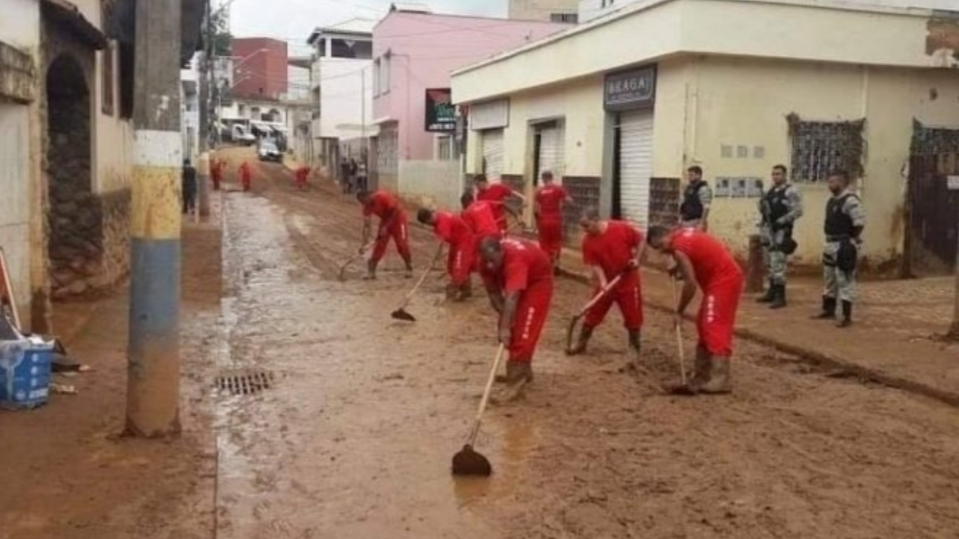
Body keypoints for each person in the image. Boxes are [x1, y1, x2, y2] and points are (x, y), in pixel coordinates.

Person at [647, 225, 743, 395]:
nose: (663, 252)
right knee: (702, 322)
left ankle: (721, 378)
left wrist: (679, 311)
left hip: (724, 279)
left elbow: (690, 284)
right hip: (721, 276)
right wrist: (679, 268)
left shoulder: (679, 249)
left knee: (713, 323)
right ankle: (703, 372)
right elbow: (698, 255)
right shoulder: (681, 234)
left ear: (664, 235)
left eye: (660, 246)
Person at [567, 208, 645, 369]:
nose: (585, 230)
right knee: (593, 311)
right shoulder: (588, 241)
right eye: (583, 227)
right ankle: (581, 344)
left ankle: (634, 350)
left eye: (587, 226)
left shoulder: (620, 228)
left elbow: (640, 239)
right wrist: (603, 282)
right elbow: (594, 264)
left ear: (596, 219)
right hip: (608, 282)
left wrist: (636, 259)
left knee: (633, 316)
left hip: (628, 280)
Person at [478, 236, 554, 403]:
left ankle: (514, 385)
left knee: (524, 331)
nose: (490, 265)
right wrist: (504, 321)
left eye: (493, 260)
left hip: (538, 282)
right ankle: (522, 371)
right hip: (517, 279)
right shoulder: (484, 262)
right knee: (510, 328)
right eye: (486, 261)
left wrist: (506, 327)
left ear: (501, 252)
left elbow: (512, 297)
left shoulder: (515, 260)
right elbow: (493, 293)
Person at [813, 170, 865, 328]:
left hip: (843, 245)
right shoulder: (831, 201)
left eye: (835, 182)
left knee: (845, 279)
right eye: (829, 182)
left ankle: (846, 315)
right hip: (830, 243)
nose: (831, 185)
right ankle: (828, 309)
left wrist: (849, 240)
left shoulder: (850, 201)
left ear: (843, 182)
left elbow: (859, 223)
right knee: (829, 278)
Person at [756, 164, 803, 309]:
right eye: (774, 174)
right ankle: (771, 291)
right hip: (767, 230)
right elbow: (763, 209)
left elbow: (798, 211)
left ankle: (780, 296)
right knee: (769, 262)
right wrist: (761, 205)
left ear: (785, 175)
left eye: (778, 174)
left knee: (778, 263)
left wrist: (781, 221)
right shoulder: (770, 191)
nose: (776, 176)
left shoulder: (791, 191)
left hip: (781, 231)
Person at [417, 208, 474, 301]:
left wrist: (436, 257)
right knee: (450, 267)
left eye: (428, 223)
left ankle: (453, 293)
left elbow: (441, 244)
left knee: (458, 268)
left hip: (464, 241)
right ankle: (466, 288)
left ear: (428, 220)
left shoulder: (442, 224)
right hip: (456, 242)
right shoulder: (438, 217)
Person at [357, 190, 413, 280]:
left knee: (401, 244)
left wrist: (386, 226)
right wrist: (364, 244)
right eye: (362, 203)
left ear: (368, 196)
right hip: (385, 220)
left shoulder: (382, 196)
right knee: (380, 244)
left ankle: (409, 267)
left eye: (364, 201)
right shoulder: (367, 207)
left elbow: (395, 210)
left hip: (398, 219)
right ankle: (371, 271)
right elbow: (366, 226)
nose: (364, 204)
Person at [534, 170, 574, 273]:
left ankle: (546, 265)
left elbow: (535, 209)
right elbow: (569, 200)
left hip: (544, 220)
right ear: (552, 178)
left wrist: (537, 221)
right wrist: (563, 204)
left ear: (543, 179)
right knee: (556, 242)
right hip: (556, 220)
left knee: (544, 243)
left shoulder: (539, 191)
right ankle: (556, 264)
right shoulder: (558, 189)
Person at [679, 166, 713, 230]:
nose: (689, 177)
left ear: (698, 175)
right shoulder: (688, 188)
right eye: (689, 175)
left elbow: (706, 207)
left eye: (691, 175)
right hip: (686, 220)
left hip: (696, 221)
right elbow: (684, 203)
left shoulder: (703, 189)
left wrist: (702, 223)